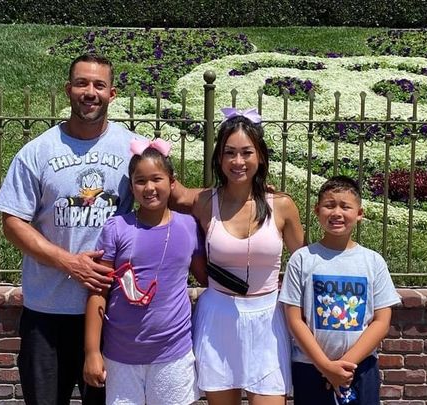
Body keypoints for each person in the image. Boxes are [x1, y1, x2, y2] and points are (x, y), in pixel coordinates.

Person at [0, 53, 142, 404]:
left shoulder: (132, 150)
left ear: (112, 94)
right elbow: (12, 223)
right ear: (68, 89)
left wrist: (247, 193)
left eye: (99, 85)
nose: (90, 92)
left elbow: (170, 197)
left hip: (109, 312)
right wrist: (70, 263)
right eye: (81, 83)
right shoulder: (37, 151)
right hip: (47, 312)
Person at [171, 107, 305, 405]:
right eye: (229, 153)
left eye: (247, 152)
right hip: (218, 317)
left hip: (268, 318)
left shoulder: (282, 205)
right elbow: (166, 189)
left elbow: (304, 265)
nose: (238, 161)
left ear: (261, 156)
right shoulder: (205, 201)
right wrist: (150, 149)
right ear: (219, 158)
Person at [83, 138, 207, 405]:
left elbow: (207, 278)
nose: (149, 187)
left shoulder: (188, 226)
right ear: (131, 187)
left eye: (157, 179)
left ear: (172, 182)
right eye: (140, 181)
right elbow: (98, 290)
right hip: (121, 355)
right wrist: (92, 351)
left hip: (173, 354)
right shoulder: (117, 228)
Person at [278, 175, 401, 405]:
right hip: (311, 367)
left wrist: (345, 366)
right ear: (317, 211)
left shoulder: (373, 261)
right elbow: (294, 319)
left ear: (359, 213)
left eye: (345, 207)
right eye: (329, 205)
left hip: (360, 368)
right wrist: (326, 366)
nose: (337, 213)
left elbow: (381, 321)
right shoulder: (302, 259)